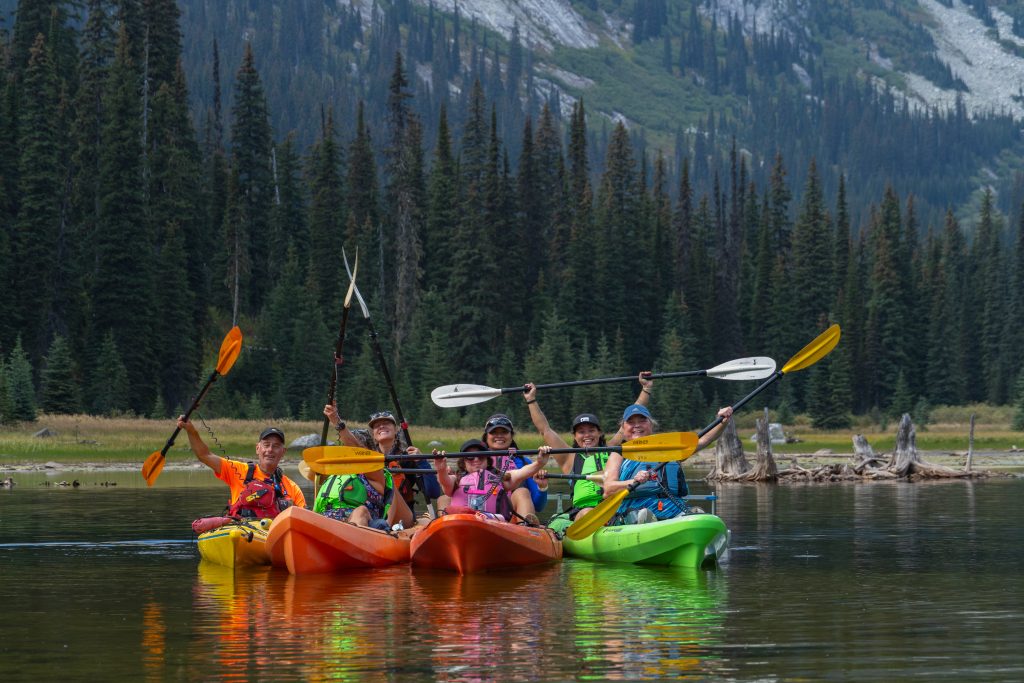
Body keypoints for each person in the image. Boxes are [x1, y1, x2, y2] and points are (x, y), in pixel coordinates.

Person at [523, 373, 654, 523]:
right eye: (581, 432)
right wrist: (531, 399)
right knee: (587, 512)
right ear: (575, 436)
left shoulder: (612, 450)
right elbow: (545, 429)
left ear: (599, 433)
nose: (587, 435)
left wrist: (646, 388)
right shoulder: (569, 458)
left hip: (613, 508)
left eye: (591, 430)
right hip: (582, 512)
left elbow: (630, 419)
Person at [603, 403, 733, 523]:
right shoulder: (618, 454)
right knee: (641, 516)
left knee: (698, 518)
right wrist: (633, 481)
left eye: (642, 421)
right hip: (633, 510)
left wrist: (721, 421)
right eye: (631, 422)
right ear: (623, 428)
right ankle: (648, 522)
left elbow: (704, 440)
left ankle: (690, 521)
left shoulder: (668, 449)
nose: (637, 425)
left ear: (651, 425)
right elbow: (608, 490)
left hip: (673, 508)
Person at [324, 403, 442, 517]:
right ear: (374, 435)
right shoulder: (368, 456)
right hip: (372, 513)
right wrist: (336, 420)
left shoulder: (408, 458)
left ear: (395, 430)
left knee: (389, 485)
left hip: (402, 517)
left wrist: (421, 462)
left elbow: (433, 492)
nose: (381, 426)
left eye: (386, 423)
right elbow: (354, 445)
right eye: (376, 426)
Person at [177, 417, 306, 518]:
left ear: (283, 452)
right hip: (241, 533)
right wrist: (191, 431)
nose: (270, 450)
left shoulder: (292, 488)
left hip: (273, 537)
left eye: (276, 446)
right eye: (266, 445)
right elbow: (204, 455)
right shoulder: (238, 470)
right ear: (258, 448)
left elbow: (303, 518)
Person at [431, 439, 551, 524]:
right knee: (444, 498)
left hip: (495, 525)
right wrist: (441, 470)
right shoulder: (456, 480)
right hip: (461, 525)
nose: (476, 460)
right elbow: (445, 482)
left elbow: (522, 472)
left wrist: (540, 462)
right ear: (463, 462)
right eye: (470, 457)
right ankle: (442, 530)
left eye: (481, 456)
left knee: (522, 491)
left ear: (487, 461)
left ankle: (527, 528)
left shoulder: (501, 478)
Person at [312, 465, 414, 530]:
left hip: (362, 521)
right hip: (328, 521)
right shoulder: (334, 477)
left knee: (361, 511)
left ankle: (353, 543)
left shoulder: (376, 477)